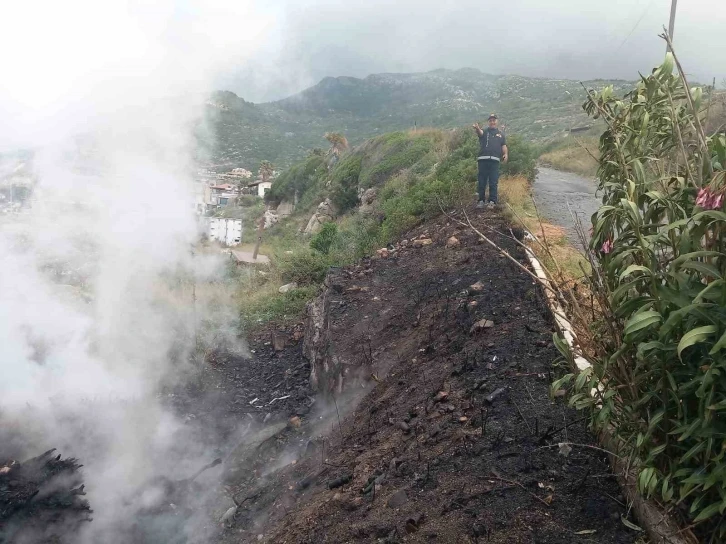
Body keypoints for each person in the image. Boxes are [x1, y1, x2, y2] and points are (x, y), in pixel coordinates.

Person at [473, 114, 508, 209]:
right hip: (483, 160)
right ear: (488, 122)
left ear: (497, 122)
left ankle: (492, 201)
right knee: (482, 181)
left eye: (494, 120)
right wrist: (477, 128)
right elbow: (480, 133)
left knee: (493, 181)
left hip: (495, 161)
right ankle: (481, 200)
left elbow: (504, 146)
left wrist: (505, 154)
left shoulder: (501, 134)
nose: (492, 122)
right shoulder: (484, 131)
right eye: (490, 120)